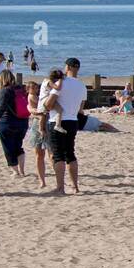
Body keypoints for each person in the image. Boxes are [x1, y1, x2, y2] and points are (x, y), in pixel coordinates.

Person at [47, 58, 87, 195]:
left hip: (58, 120)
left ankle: (60, 188)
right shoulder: (82, 86)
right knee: (70, 153)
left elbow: (49, 104)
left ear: (68, 67)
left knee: (58, 155)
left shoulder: (61, 82)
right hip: (72, 120)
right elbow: (81, 107)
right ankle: (75, 186)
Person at [0, 69, 29, 178]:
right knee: (19, 146)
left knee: (8, 147)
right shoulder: (21, 89)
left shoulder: (5, 91)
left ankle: (15, 171)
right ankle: (22, 171)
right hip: (23, 121)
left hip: (8, 122)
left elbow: (0, 111)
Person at [23, 82, 50, 189]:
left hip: (42, 119)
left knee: (50, 154)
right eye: (33, 88)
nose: (36, 89)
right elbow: (40, 107)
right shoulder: (32, 97)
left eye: (36, 87)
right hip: (38, 121)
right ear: (28, 89)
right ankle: (42, 181)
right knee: (39, 154)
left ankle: (48, 180)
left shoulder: (37, 96)